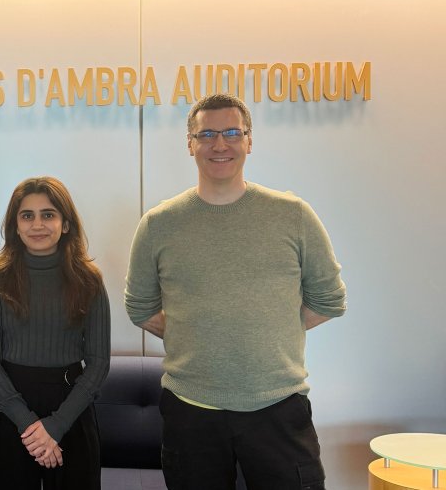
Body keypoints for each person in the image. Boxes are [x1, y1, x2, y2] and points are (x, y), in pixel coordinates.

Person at [125, 93, 346, 490]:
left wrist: (272, 328)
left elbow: (329, 300)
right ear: (189, 144)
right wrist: (194, 332)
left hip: (278, 408)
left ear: (249, 140)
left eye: (231, 132)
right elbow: (140, 307)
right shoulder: (158, 224)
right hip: (191, 412)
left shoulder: (292, 214)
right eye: (206, 133)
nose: (219, 144)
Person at [0, 177, 111, 490]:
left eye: (48, 214)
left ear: (65, 224)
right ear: (15, 226)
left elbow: (99, 362)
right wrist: (30, 426)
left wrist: (56, 426)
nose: (38, 224)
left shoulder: (89, 281)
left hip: (72, 410)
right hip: (10, 411)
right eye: (27, 215)